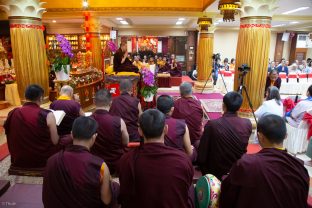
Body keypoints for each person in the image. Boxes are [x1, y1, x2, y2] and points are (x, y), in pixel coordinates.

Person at [219, 115, 309, 208]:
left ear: (260, 136)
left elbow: (228, 193)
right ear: (286, 136)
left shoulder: (247, 164)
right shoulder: (300, 167)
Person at [119, 109, 194, 208]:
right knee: (191, 189)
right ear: (166, 129)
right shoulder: (182, 159)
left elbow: (125, 193)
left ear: (140, 131)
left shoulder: (126, 159)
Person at [43, 117, 113, 208]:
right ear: (94, 137)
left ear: (71, 134)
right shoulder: (100, 166)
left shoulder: (52, 160)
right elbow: (106, 200)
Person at [197, 92, 252, 180]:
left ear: (223, 105)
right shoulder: (247, 124)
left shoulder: (212, 125)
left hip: (215, 173)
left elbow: (202, 155)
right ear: (239, 107)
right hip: (237, 170)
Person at [4, 84, 59, 168]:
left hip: (19, 159)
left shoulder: (13, 112)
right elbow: (55, 141)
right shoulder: (47, 114)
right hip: (41, 160)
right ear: (41, 98)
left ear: (25, 97)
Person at [91, 89, 129, 175]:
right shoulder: (119, 121)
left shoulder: (87, 121)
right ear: (111, 103)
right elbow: (126, 142)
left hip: (95, 165)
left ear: (94, 101)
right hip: (115, 164)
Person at [172, 82, 204, 149]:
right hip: (195, 137)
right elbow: (201, 122)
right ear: (192, 91)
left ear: (180, 92)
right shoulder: (199, 105)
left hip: (180, 137)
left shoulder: (175, 104)